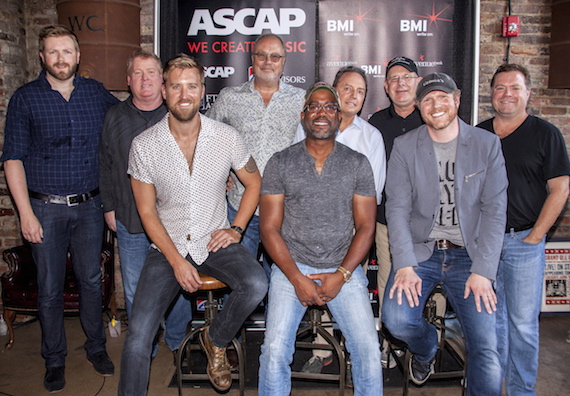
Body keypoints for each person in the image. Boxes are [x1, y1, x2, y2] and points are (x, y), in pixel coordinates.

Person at [118, 54, 268, 395]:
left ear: (202, 91)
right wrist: (176, 261)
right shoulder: (144, 145)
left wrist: (237, 229)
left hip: (214, 239)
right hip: (167, 248)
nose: (184, 94)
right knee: (138, 339)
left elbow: (254, 182)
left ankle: (214, 339)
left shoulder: (226, 136)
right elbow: (147, 213)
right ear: (164, 91)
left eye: (191, 86)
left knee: (257, 283)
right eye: (175, 86)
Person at [0, 25, 119, 392]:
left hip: (89, 207)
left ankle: (96, 349)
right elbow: (13, 160)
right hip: (44, 210)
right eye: (53, 52)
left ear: (78, 56)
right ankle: (54, 360)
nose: (60, 59)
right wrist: (26, 214)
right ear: (42, 57)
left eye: (66, 51)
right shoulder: (26, 98)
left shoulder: (96, 94)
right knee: (49, 290)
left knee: (90, 282)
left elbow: (127, 123)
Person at [382, 73, 507, 395]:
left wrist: (483, 271)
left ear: (456, 99)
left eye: (442, 97)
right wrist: (405, 264)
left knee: (487, 347)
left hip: (470, 256)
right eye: (427, 100)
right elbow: (396, 208)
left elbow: (495, 211)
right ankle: (426, 351)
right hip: (422, 252)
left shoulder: (487, 144)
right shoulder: (405, 146)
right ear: (419, 106)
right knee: (396, 320)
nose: (435, 105)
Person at [258, 82, 383, 395]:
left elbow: (366, 225)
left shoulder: (357, 163)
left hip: (343, 267)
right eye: (315, 106)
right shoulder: (280, 162)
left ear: (339, 118)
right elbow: (269, 228)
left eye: (329, 107)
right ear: (304, 116)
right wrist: (297, 278)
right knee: (273, 352)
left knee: (368, 351)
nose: (322, 112)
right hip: (292, 267)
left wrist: (342, 275)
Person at [477, 63, 570, 395]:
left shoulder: (546, 134)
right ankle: (492, 387)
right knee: (492, 325)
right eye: (500, 87)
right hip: (485, 245)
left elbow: (560, 189)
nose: (507, 94)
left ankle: (521, 391)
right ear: (491, 94)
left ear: (527, 93)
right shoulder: (479, 132)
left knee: (523, 327)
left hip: (523, 243)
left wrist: (534, 238)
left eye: (514, 87)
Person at [99, 50, 193, 360]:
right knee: (138, 286)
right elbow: (106, 163)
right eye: (138, 73)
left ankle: (178, 338)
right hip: (131, 219)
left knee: (179, 283)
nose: (145, 79)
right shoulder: (114, 117)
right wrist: (109, 207)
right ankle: (146, 344)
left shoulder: (178, 115)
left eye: (151, 72)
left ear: (162, 81)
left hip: (175, 222)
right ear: (128, 81)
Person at [293, 66, 385, 374]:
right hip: (309, 233)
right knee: (318, 290)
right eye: (347, 88)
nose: (354, 96)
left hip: (353, 233)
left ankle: (353, 353)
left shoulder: (371, 137)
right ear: (333, 91)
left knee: (346, 293)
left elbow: (374, 192)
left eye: (360, 91)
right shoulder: (306, 126)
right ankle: (322, 350)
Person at [206, 33, 305, 271]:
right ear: (253, 59)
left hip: (284, 210)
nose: (267, 61)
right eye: (261, 55)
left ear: (284, 61)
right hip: (239, 208)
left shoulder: (302, 100)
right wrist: (223, 171)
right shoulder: (230, 97)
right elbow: (206, 139)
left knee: (283, 285)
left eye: (275, 56)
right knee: (240, 283)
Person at [368, 56, 423, 336]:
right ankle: (389, 343)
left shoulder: (434, 118)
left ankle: (425, 348)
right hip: (386, 223)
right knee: (391, 287)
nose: (401, 84)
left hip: (429, 225)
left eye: (407, 78)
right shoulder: (375, 123)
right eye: (394, 79)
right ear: (386, 87)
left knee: (429, 291)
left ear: (418, 82)